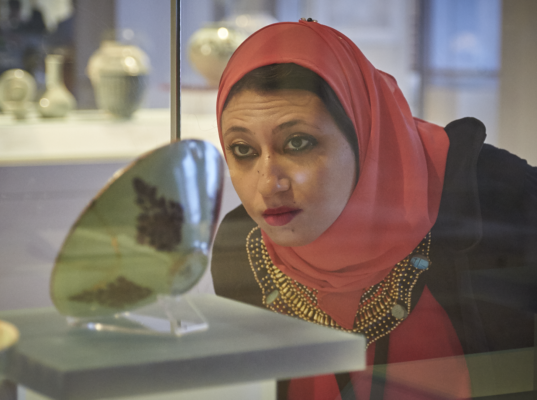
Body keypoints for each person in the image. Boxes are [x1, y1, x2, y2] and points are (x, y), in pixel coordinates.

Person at [210, 19, 537, 400]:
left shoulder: (493, 201)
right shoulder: (243, 250)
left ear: (363, 133)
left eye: (298, 142)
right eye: (243, 150)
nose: (269, 183)